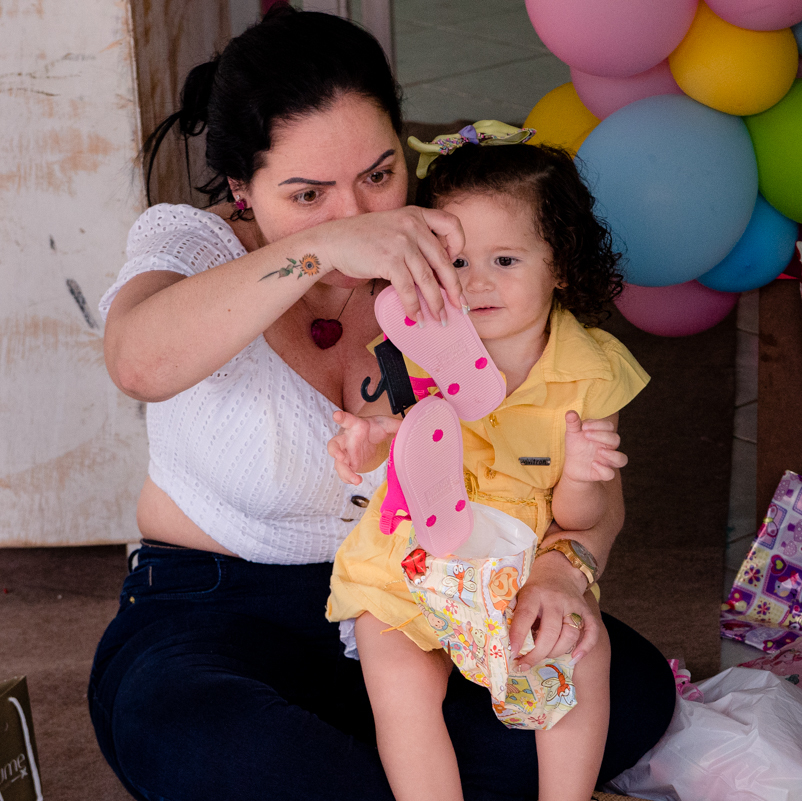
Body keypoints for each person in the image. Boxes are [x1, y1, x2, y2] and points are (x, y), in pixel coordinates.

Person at [86, 7, 675, 801]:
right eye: (306, 193)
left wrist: (565, 570)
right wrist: (321, 253)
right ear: (242, 189)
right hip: (216, 607)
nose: (358, 214)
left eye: (378, 174)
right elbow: (137, 360)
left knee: (624, 688)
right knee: (219, 744)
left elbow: (567, 451)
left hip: (424, 593)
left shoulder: (462, 246)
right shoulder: (197, 246)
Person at [325, 131, 644, 801]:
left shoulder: (588, 374)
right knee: (400, 679)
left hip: (520, 567)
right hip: (410, 565)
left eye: (505, 258)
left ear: (559, 264)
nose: (476, 283)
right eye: (458, 261)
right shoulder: (413, 349)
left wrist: (584, 473)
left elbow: (582, 522)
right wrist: (371, 440)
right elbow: (408, 437)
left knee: (584, 651)